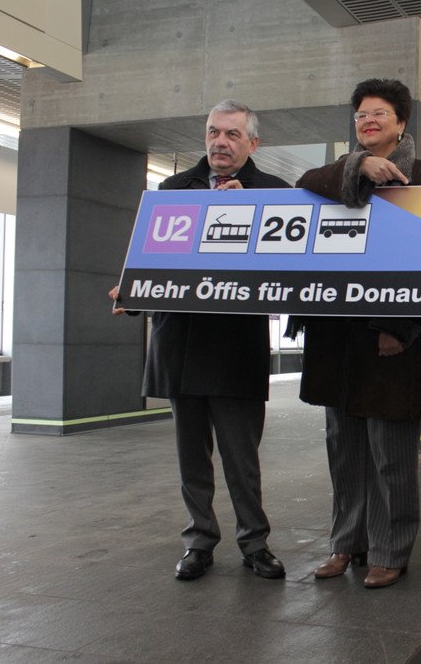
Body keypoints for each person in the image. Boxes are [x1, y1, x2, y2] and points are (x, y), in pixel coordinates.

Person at [110, 99, 289, 581]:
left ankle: (255, 543)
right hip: (181, 344)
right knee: (191, 459)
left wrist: (247, 212)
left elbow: (287, 269)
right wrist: (133, 292)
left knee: (241, 460)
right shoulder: (172, 190)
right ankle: (198, 541)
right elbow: (152, 259)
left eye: (232, 134)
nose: (220, 142)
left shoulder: (275, 193)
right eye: (213, 132)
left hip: (236, 347)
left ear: (253, 143)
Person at [287, 79, 421, 589]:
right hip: (338, 342)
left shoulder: (420, 174)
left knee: (390, 455)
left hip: (391, 339)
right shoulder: (339, 170)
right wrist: (360, 166)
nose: (368, 122)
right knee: (345, 452)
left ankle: (389, 550)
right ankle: (346, 543)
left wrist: (398, 326)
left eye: (379, 114)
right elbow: (305, 182)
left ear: (402, 123)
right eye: (361, 116)